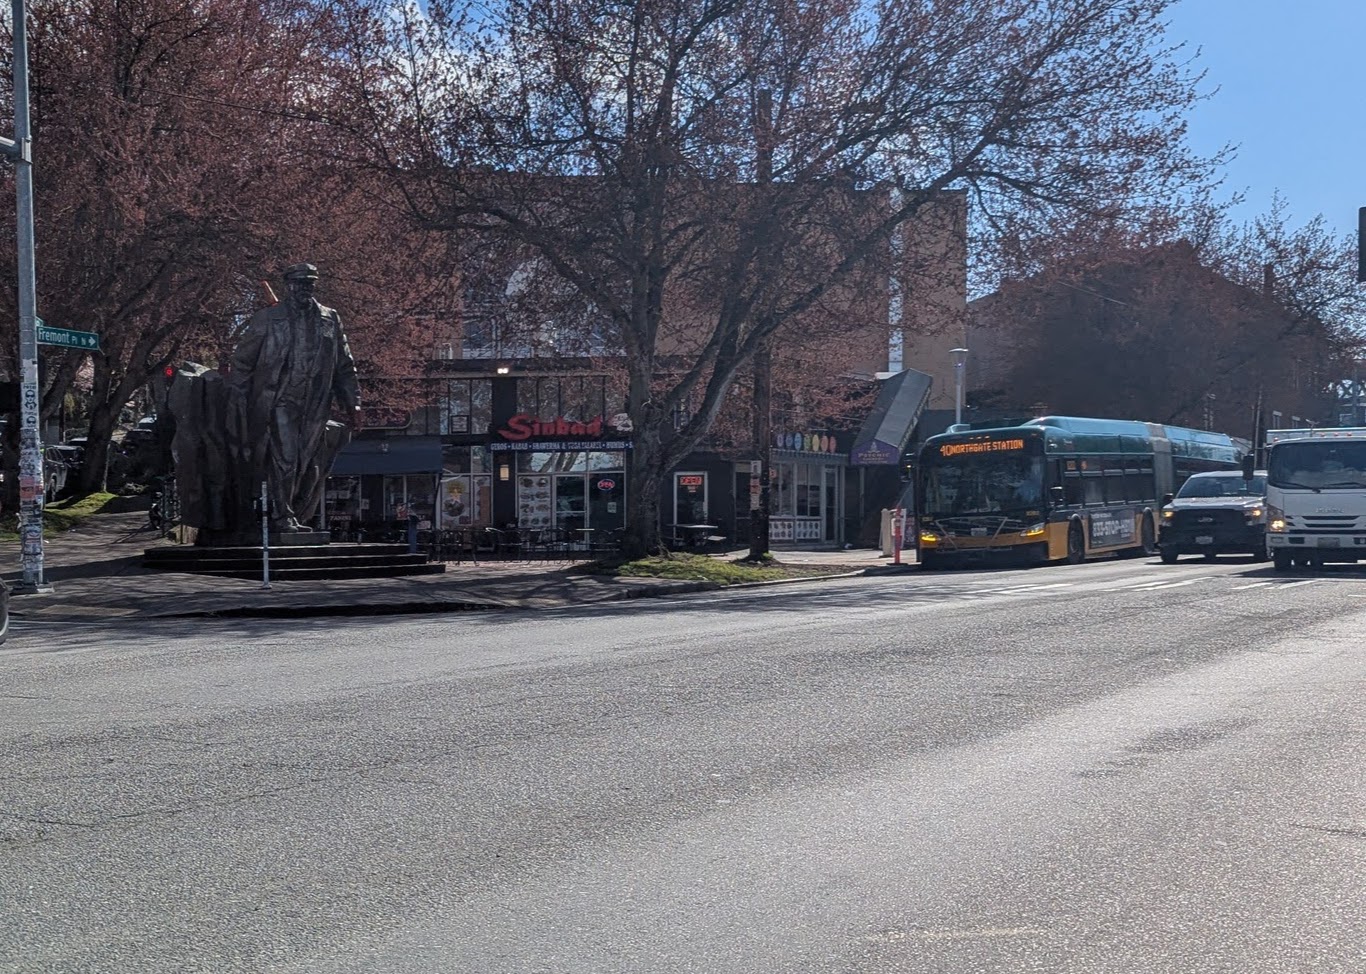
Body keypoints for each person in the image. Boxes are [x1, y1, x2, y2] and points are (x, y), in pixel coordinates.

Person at [230, 262, 360, 532]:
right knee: (286, 457)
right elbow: (242, 362)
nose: (305, 288)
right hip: (280, 399)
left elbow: (344, 365)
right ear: (288, 286)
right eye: (300, 283)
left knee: (309, 460)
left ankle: (294, 513)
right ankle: (282, 516)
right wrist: (239, 399)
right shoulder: (268, 318)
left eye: (309, 283)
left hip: (316, 401)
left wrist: (353, 404)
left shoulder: (329, 318)